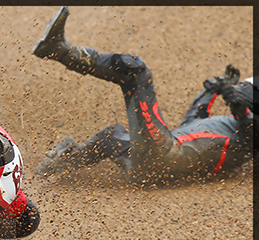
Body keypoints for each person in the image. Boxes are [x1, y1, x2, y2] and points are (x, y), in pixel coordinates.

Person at [32, 6, 255, 185]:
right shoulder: (231, 131)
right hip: (150, 167)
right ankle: (60, 163)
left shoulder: (248, 138)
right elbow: (192, 123)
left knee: (135, 71)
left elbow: (248, 124)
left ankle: (58, 49)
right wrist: (213, 89)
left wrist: (231, 97)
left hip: (163, 156)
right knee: (111, 135)